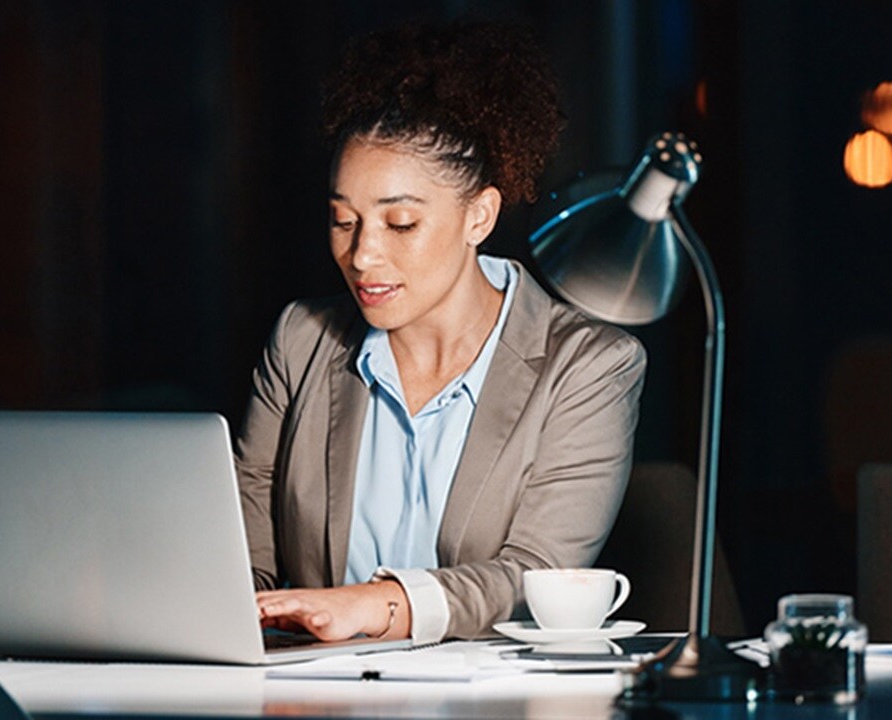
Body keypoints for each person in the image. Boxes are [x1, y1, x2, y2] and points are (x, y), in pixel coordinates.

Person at [234, 21, 647, 645]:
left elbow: (536, 574)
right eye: (343, 221)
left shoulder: (589, 366)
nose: (362, 255)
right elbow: (242, 550)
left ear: (478, 215)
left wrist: (383, 605)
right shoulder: (303, 339)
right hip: (313, 693)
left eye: (399, 224)